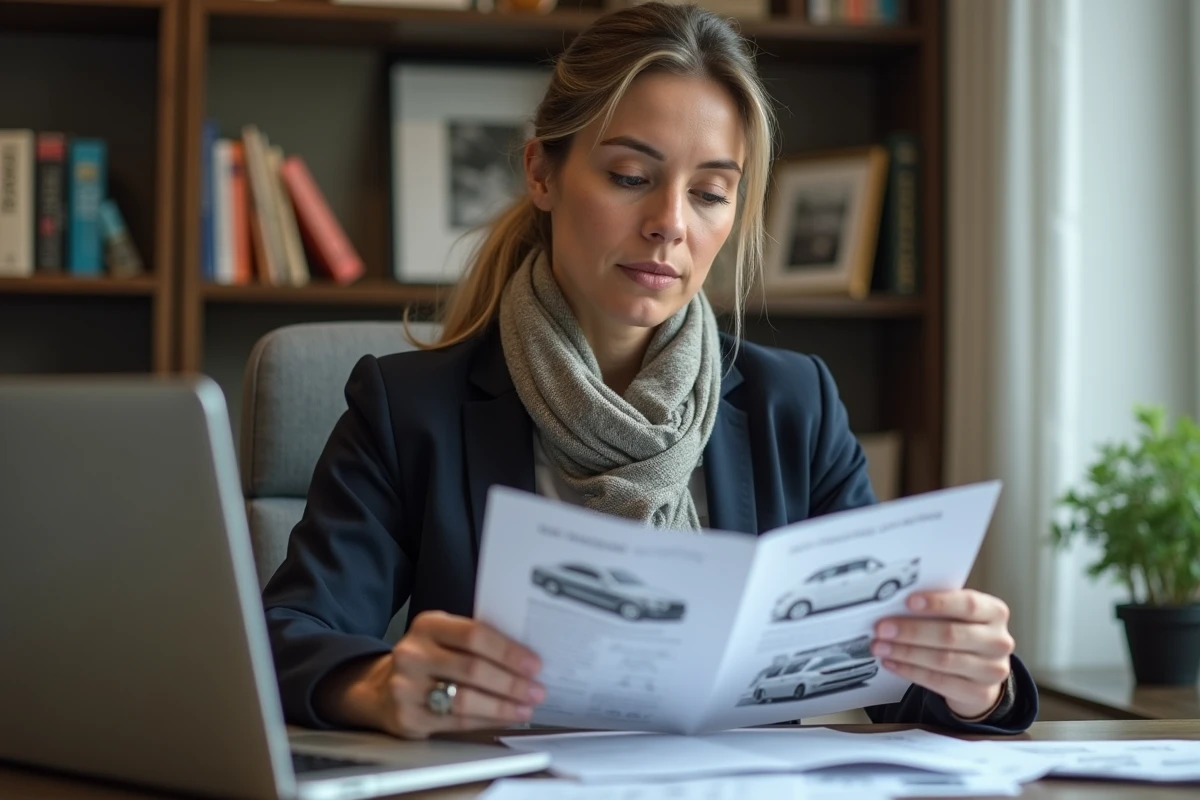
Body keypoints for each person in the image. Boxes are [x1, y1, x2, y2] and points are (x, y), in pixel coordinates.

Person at [262, 1, 1038, 741]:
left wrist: (972, 683)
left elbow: (884, 669)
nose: (671, 221)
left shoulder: (793, 405)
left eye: (709, 192)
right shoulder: (408, 409)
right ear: (542, 173)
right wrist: (383, 685)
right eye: (631, 176)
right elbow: (288, 636)